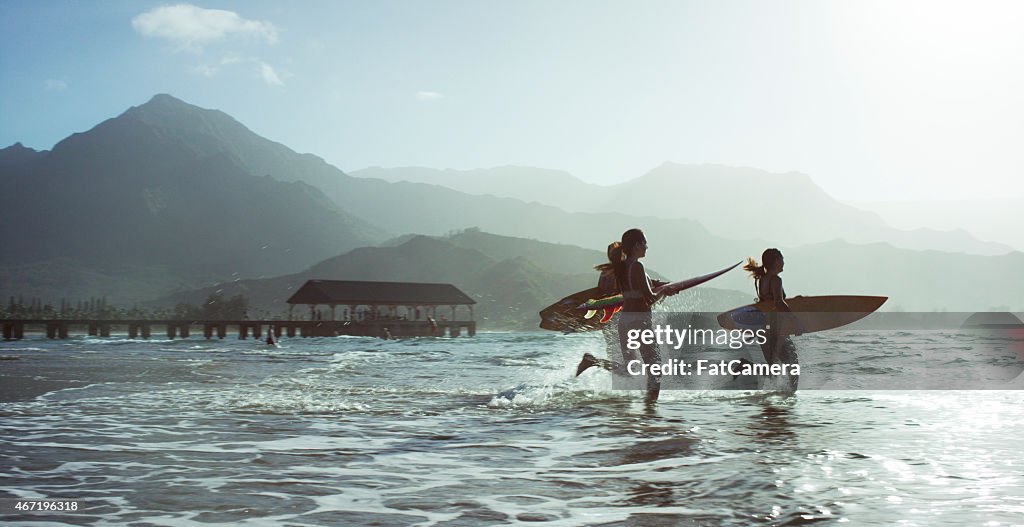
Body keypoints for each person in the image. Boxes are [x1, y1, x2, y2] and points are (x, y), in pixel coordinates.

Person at [577, 229, 678, 404]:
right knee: (655, 369)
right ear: (637, 245)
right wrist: (665, 292)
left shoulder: (622, 267)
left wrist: (659, 285)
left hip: (625, 322)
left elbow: (639, 286)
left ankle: (593, 361)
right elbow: (650, 298)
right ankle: (649, 409)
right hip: (639, 322)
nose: (647, 246)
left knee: (630, 369)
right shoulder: (637, 266)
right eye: (644, 243)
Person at [743, 248, 800, 390]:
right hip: (776, 330)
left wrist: (796, 302)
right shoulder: (776, 280)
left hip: (764, 330)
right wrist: (796, 322)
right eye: (782, 259)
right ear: (776, 261)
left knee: (773, 371)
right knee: (792, 366)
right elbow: (778, 303)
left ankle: (746, 366)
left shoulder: (762, 280)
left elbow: (768, 303)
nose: (783, 263)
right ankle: (790, 399)